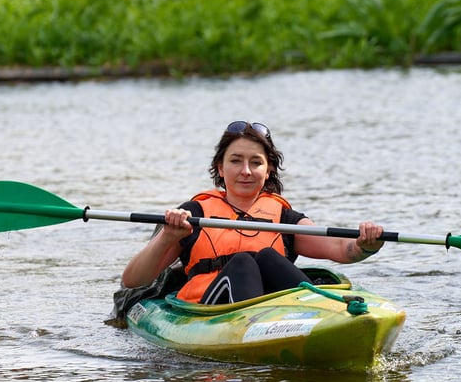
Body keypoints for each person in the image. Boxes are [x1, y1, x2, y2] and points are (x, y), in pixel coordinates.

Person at [121, 120, 385, 304]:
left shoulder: (284, 219)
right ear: (220, 168)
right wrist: (168, 236)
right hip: (212, 308)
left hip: (273, 309)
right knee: (243, 262)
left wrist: (365, 244)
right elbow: (133, 280)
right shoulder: (194, 213)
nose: (246, 171)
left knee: (269, 256)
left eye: (255, 162)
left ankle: (316, 310)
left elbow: (340, 248)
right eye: (236, 161)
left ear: (268, 169)